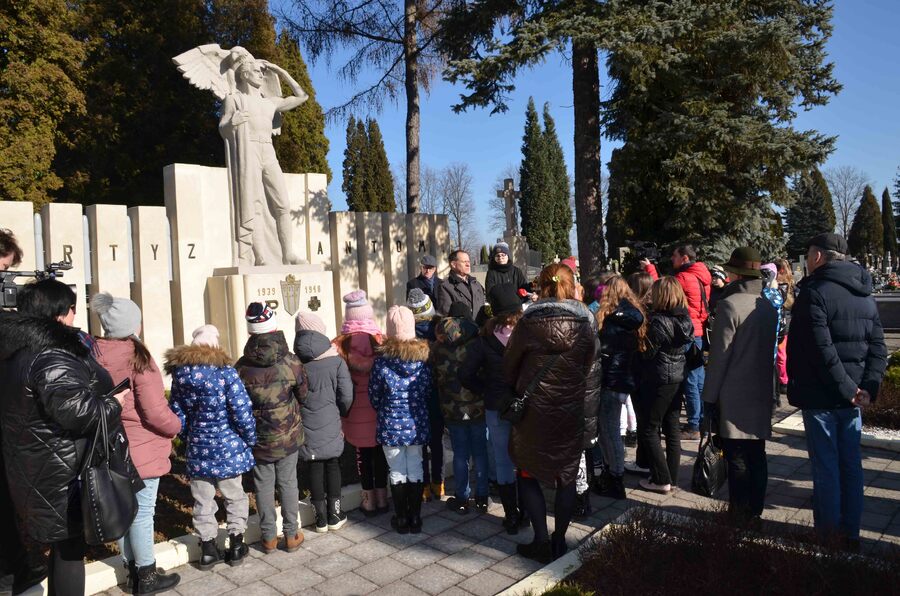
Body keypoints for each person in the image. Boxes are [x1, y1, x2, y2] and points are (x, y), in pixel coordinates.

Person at [0, 280, 133, 596]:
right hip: (61, 472)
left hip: (34, 466)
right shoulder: (51, 354)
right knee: (70, 551)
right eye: (73, 309)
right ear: (59, 313)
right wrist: (113, 403)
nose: (76, 315)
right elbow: (78, 412)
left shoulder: (16, 349)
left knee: (62, 547)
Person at [787, 233, 887, 545]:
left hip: (824, 396)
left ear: (817, 256)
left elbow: (820, 351)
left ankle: (828, 535)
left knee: (827, 468)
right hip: (852, 396)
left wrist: (850, 390)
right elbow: (879, 348)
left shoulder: (815, 292)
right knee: (850, 466)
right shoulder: (864, 293)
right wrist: (866, 387)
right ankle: (851, 533)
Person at [90, 293, 182, 593]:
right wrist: (176, 426)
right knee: (142, 512)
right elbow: (155, 411)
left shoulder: (92, 353)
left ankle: (132, 569)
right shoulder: (138, 357)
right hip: (141, 447)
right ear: (133, 324)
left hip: (109, 444)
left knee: (122, 510)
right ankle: (146, 576)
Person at [505, 264, 596, 563]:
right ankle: (559, 541)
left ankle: (541, 540)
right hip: (569, 410)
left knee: (528, 471)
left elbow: (511, 365)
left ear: (541, 286)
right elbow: (591, 370)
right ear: (572, 286)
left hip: (534, 411)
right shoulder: (587, 323)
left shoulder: (528, 322)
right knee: (566, 475)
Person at [165, 325, 257, 570]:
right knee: (235, 496)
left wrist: (189, 437)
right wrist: (249, 438)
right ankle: (236, 544)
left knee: (202, 500)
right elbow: (242, 410)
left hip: (198, 449)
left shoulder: (180, 376)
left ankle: (207, 549)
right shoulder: (226, 373)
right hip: (228, 448)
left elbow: (177, 414)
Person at [702, 247, 779, 525]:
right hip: (760, 388)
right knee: (757, 453)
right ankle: (754, 510)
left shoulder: (730, 304)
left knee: (736, 456)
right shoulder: (767, 306)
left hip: (734, 391)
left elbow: (720, 358)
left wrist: (708, 398)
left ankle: (738, 514)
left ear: (736, 273)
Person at [214, 48, 308, 265]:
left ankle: (288, 254)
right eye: (256, 71)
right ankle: (260, 256)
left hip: (268, 151)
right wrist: (232, 122)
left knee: (282, 203)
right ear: (245, 74)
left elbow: (302, 96)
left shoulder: (270, 102)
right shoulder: (234, 100)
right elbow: (223, 127)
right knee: (252, 202)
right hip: (249, 151)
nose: (261, 75)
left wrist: (281, 71)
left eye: (261, 72)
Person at [235, 303, 308, 555]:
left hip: (258, 439)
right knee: (288, 483)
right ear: (272, 326)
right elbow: (304, 393)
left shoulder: (241, 367)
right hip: (288, 435)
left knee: (263, 486)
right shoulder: (290, 361)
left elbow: (236, 404)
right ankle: (291, 534)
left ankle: (268, 538)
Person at [461, 284, 527, 533]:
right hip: (525, 405)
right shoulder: (527, 335)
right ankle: (528, 512)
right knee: (525, 459)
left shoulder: (484, 340)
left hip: (496, 405)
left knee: (502, 461)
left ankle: (511, 516)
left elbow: (464, 373)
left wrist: (485, 388)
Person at [369, 306, 432, 534]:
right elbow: (427, 392)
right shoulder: (422, 361)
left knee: (396, 470)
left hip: (390, 425)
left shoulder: (381, 363)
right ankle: (415, 518)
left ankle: (402, 517)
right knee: (415, 467)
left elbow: (374, 395)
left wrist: (386, 409)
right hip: (416, 424)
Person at [293, 312, 353, 533]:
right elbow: (346, 395)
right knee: (333, 465)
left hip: (307, 424)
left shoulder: (295, 363)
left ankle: (320, 518)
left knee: (314, 466)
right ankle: (335, 514)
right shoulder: (336, 361)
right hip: (331, 419)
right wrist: (341, 412)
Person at [635, 278, 694, 494]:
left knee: (650, 428)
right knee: (672, 428)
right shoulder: (685, 318)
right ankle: (673, 476)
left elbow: (647, 352)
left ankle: (661, 479)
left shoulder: (659, 321)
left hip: (658, 378)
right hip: (677, 376)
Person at [334, 290, 389, 515]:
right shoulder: (380, 341)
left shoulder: (339, 346)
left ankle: (368, 501)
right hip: (378, 409)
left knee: (362, 456)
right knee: (379, 454)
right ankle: (383, 499)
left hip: (355, 412)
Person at [431, 303, 487, 515]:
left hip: (451, 408)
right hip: (478, 406)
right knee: (480, 453)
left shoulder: (438, 346)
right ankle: (482, 496)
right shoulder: (478, 342)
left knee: (460, 453)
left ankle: (462, 498)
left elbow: (435, 378)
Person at [594, 276, 647, 500]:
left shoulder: (612, 319)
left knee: (610, 430)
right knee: (610, 429)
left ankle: (615, 478)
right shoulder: (632, 316)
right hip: (623, 379)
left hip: (611, 379)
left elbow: (603, 348)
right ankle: (612, 471)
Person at [671, 244, 712, 440]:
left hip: (687, 331)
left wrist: (651, 270)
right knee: (699, 376)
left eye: (675, 256)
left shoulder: (683, 277)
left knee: (689, 379)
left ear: (685, 258)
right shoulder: (702, 275)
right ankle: (704, 419)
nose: (672, 259)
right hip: (699, 331)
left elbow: (666, 293)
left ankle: (694, 425)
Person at [407, 288, 443, 500]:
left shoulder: (408, 339)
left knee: (421, 445)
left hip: (417, 398)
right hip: (437, 396)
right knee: (436, 442)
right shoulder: (440, 333)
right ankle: (439, 484)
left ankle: (424, 487)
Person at [436, 249, 486, 316]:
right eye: (464, 262)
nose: (468, 264)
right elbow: (446, 314)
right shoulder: (445, 287)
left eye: (468, 261)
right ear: (453, 264)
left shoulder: (476, 283)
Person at [775, 258, 796, 395]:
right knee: (783, 354)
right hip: (786, 322)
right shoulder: (790, 283)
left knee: (782, 355)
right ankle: (783, 378)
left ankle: (784, 381)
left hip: (784, 323)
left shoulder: (781, 284)